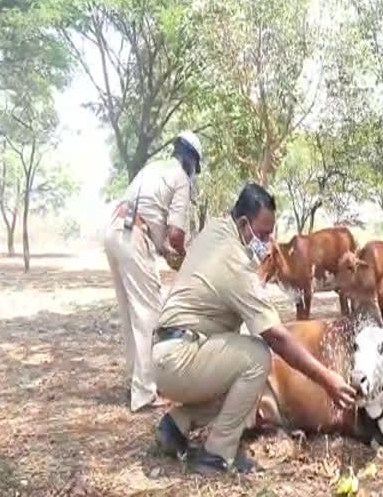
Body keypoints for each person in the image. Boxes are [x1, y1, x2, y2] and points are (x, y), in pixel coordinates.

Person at [151, 183, 357, 475]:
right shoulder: (235, 262)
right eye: (262, 234)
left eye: (271, 233)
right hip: (181, 359)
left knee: (244, 379)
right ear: (243, 222)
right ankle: (216, 455)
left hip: (170, 351)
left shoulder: (216, 230)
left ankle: (176, 426)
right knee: (258, 358)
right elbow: (276, 336)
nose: (268, 241)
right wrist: (328, 380)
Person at [104, 130, 202, 412]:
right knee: (148, 316)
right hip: (135, 237)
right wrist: (184, 257)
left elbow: (150, 219)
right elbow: (176, 234)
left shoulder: (153, 168)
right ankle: (146, 393)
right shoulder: (181, 179)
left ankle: (137, 382)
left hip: (114, 232)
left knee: (130, 313)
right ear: (191, 162)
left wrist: (161, 249)